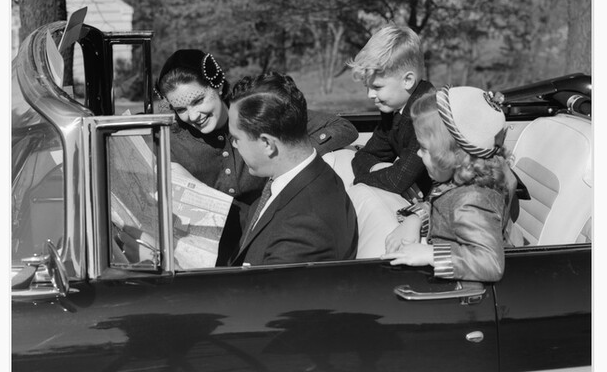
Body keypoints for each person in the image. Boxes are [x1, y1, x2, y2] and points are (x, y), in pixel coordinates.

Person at [156, 49, 358, 264]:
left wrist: (293, 154)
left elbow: (341, 127)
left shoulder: (257, 114)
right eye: (181, 109)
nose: (193, 116)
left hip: (267, 234)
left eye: (198, 101)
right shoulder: (170, 139)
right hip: (208, 252)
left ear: (217, 85)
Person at [381, 85, 515, 282]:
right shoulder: (460, 178)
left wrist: (430, 254)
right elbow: (443, 205)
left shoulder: (475, 200)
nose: (418, 153)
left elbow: (490, 262)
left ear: (455, 156)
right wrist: (415, 219)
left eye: (424, 149)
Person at [226, 72, 359, 266]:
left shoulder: (304, 229)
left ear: (267, 144)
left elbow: (265, 294)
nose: (235, 146)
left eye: (237, 138)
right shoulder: (315, 174)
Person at [348, 23, 435, 200]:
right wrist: (377, 169)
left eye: (377, 86)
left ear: (408, 80)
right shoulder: (393, 111)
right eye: (368, 87)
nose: (370, 95)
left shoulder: (428, 115)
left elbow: (396, 181)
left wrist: (359, 181)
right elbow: (364, 156)